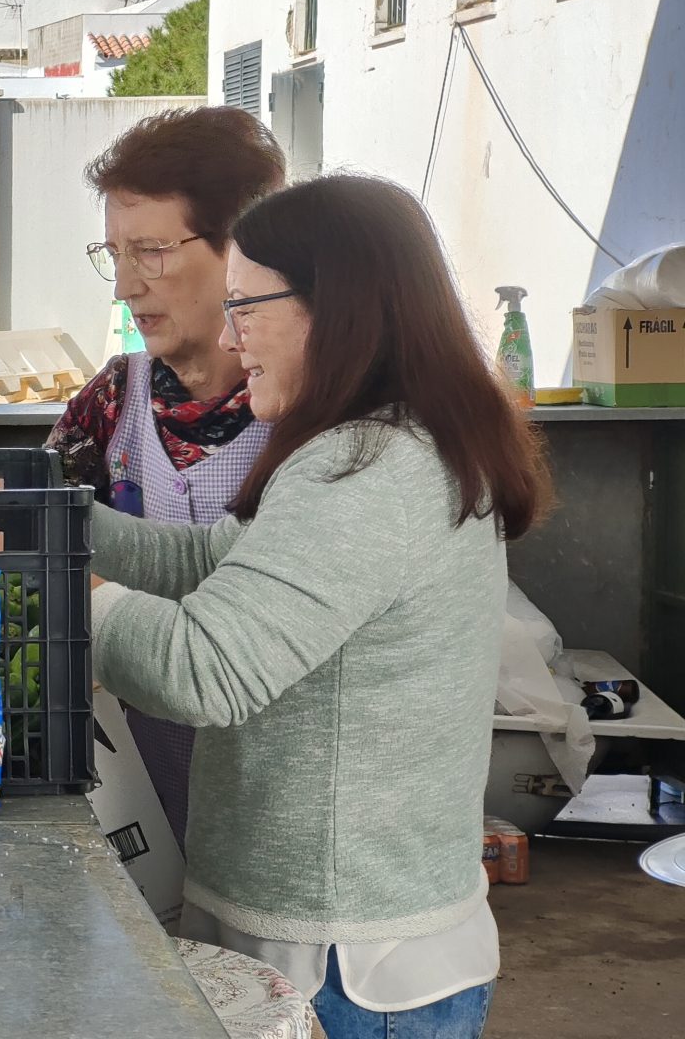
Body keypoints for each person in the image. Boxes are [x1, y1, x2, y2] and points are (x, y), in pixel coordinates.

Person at [88, 174, 550, 1038]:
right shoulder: (373, 445)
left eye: (245, 307)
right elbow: (208, 561)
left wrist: (72, 596)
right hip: (328, 938)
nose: (229, 336)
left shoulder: (371, 471)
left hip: (346, 966)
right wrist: (50, 523)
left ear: (336, 311)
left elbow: (205, 670)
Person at [46, 106, 288, 848]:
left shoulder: (309, 420)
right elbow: (41, 527)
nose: (125, 286)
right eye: (114, 254)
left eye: (150, 252)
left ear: (242, 252)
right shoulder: (114, 399)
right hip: (139, 791)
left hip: (279, 804)